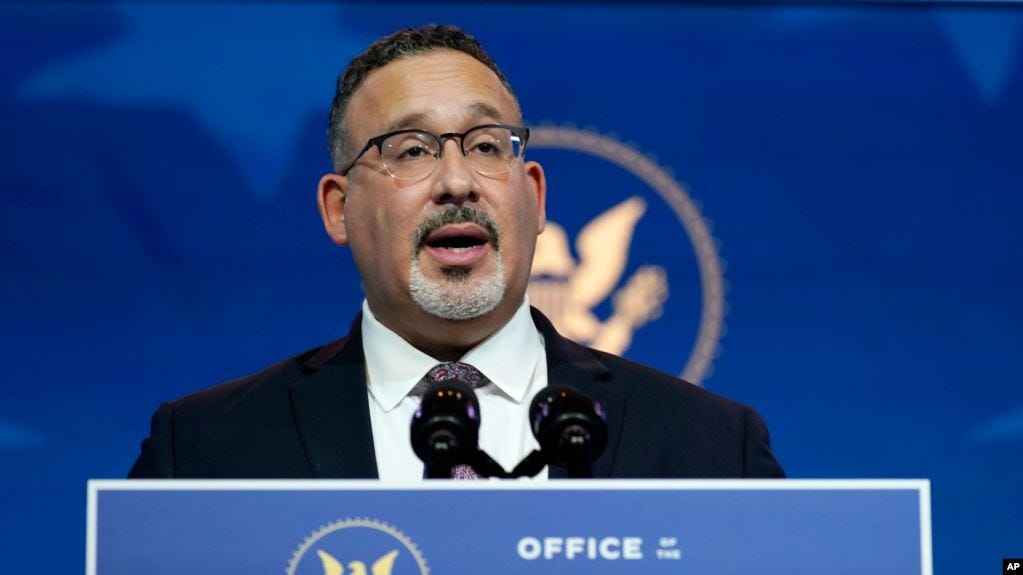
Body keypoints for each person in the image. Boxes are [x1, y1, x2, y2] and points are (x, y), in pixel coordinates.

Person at [129, 25, 784, 480]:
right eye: (411, 149)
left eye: (486, 144)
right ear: (338, 208)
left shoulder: (713, 447)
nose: (456, 181)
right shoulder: (205, 448)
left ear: (532, 196)